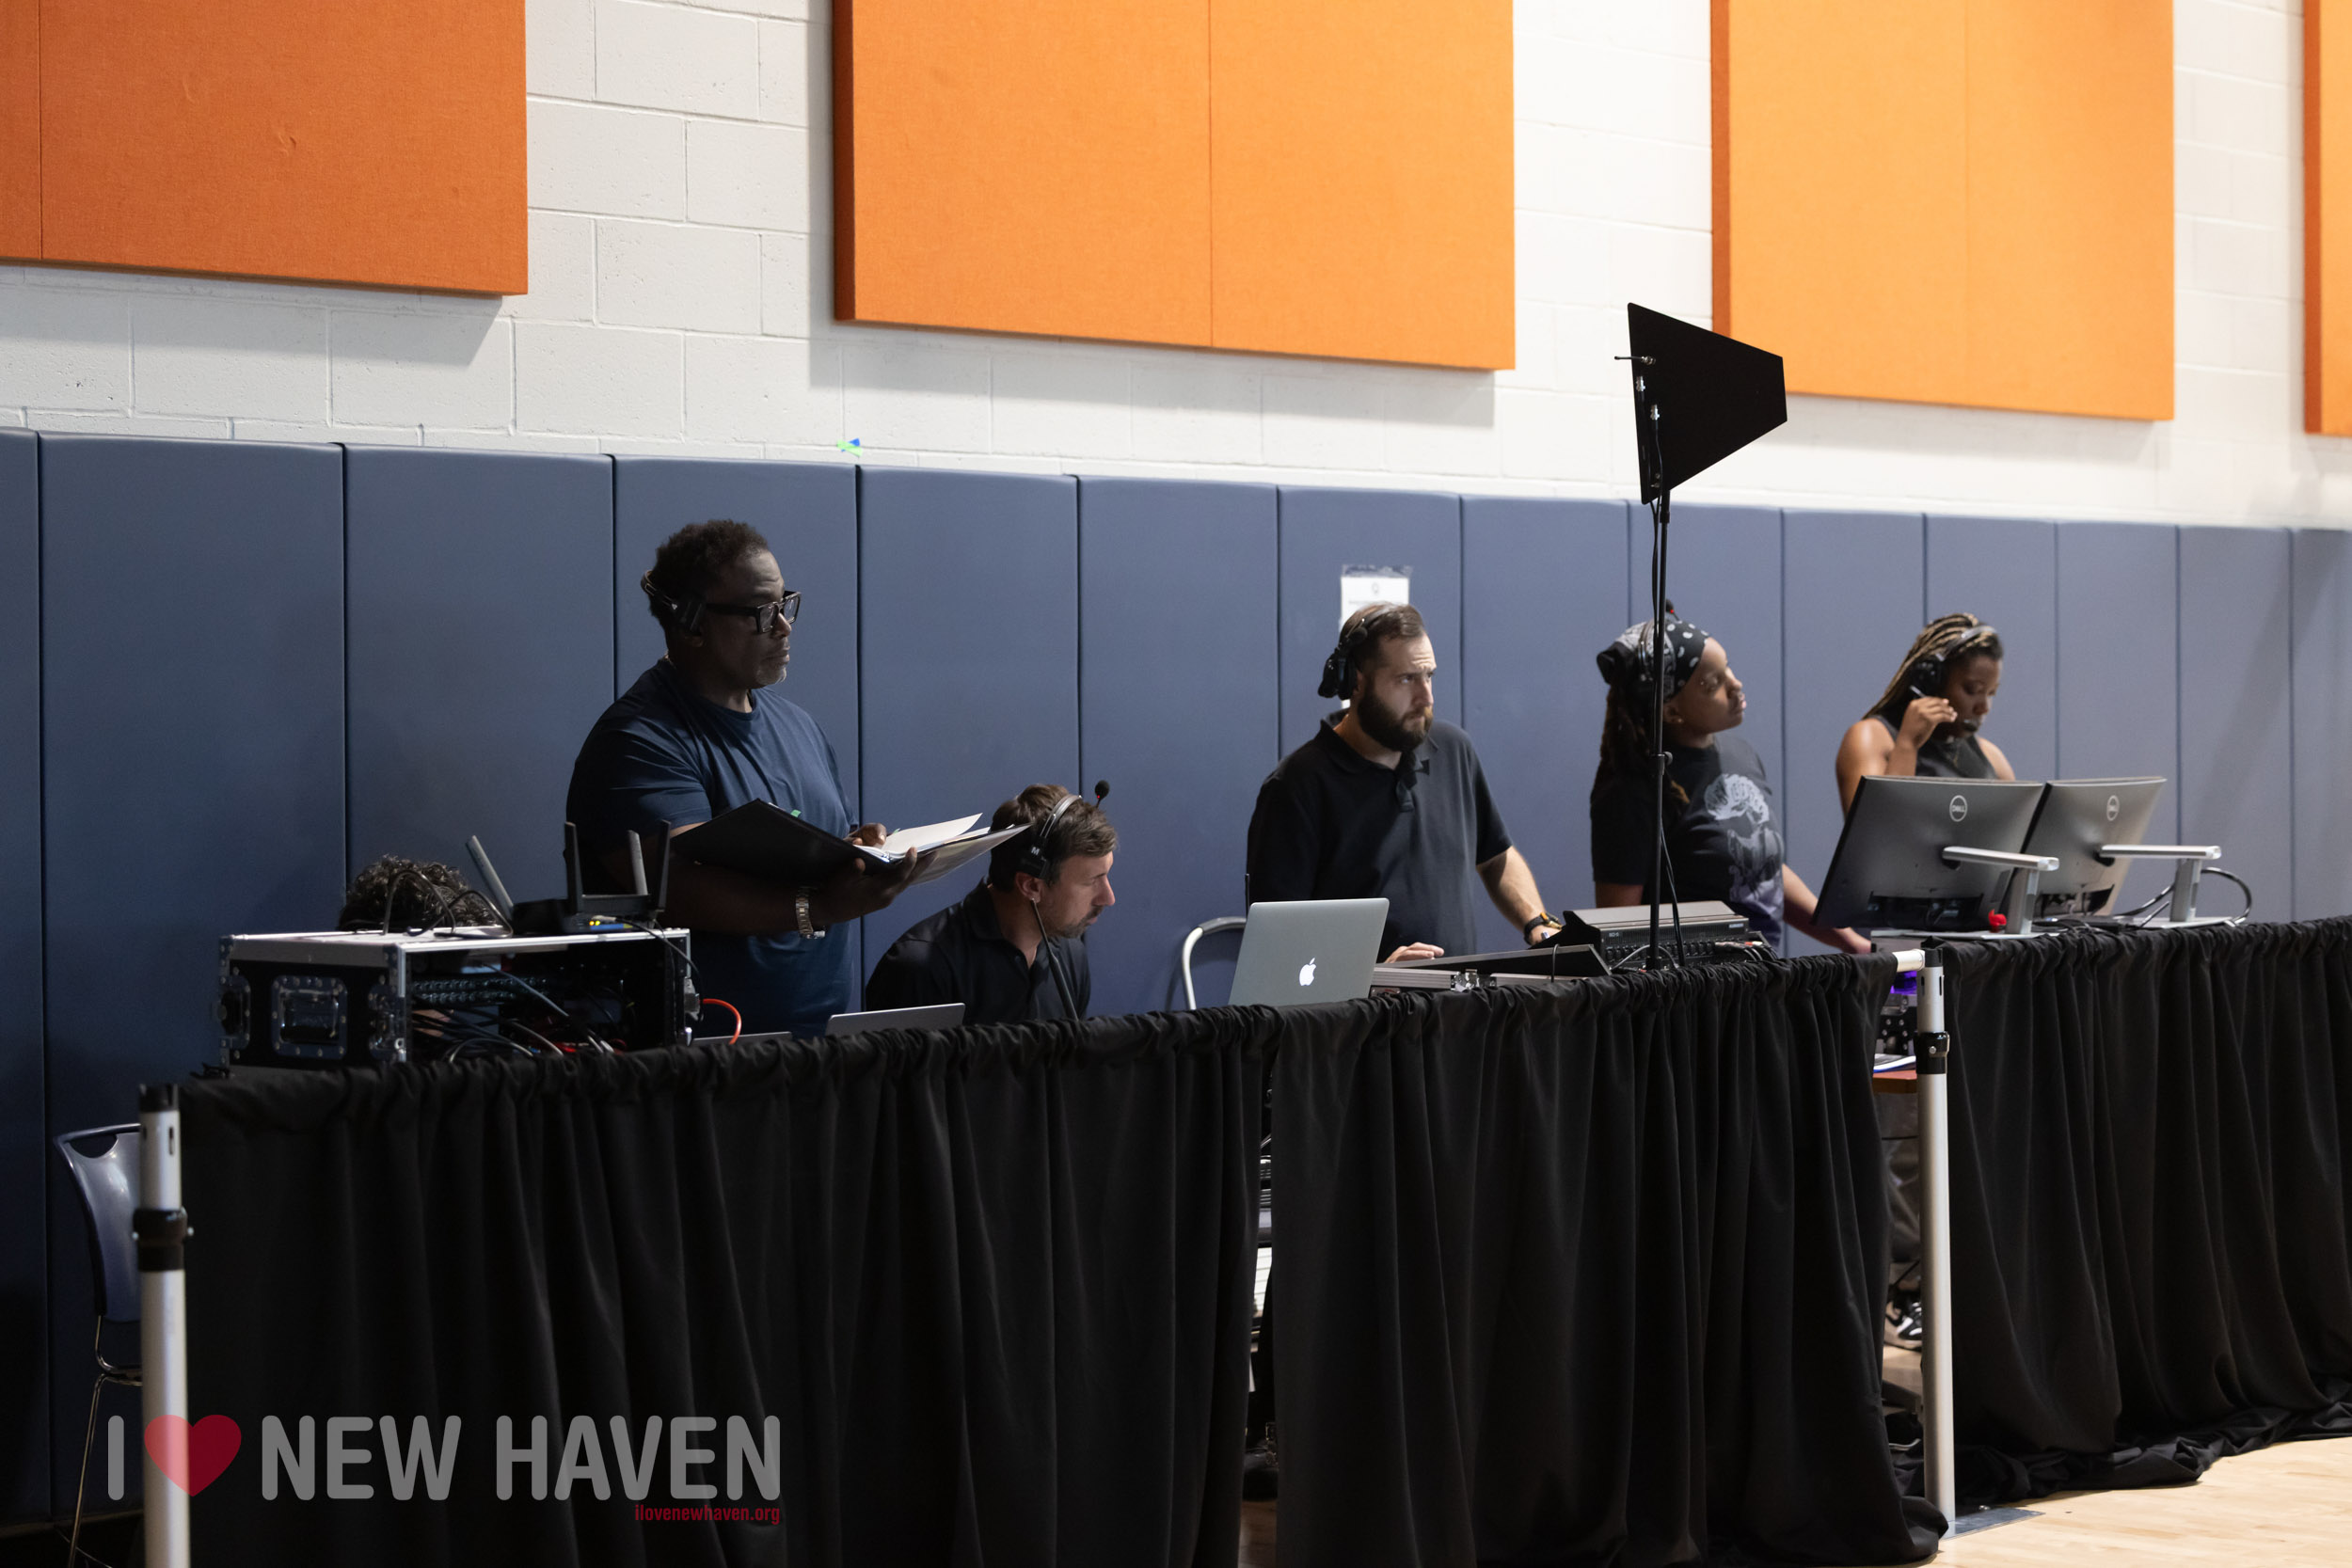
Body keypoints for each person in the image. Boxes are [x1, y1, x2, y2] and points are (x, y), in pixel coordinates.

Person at [565, 519, 922, 1037]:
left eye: (785, 604)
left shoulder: (800, 727)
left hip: (821, 1043)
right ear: (692, 623)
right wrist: (819, 906)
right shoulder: (638, 740)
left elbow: (808, 852)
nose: (783, 627)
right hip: (703, 1056)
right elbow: (677, 885)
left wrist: (854, 853)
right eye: (761, 612)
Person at [1247, 602, 1555, 961]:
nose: (1426, 698)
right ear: (1356, 682)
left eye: (1429, 676)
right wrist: (1375, 974)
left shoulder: (1454, 751)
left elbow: (1496, 857)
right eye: (1406, 679)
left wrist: (1538, 923)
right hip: (1364, 1000)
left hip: (1458, 998)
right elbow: (1278, 945)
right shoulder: (1295, 788)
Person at [1590, 611, 1867, 954]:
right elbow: (1620, 929)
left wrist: (1852, 942)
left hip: (1763, 976)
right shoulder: (1632, 789)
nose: (1735, 685)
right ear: (1671, 711)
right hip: (1695, 983)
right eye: (1713, 684)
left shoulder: (1741, 755)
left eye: (1728, 668)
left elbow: (1763, 873)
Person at [864, 784, 1116, 1022]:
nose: (1108, 898)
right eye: (1092, 881)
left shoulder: (1071, 956)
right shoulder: (920, 968)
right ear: (1031, 886)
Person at [1836, 613, 2017, 812]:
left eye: (1991, 693)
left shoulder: (1991, 758)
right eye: (1972, 690)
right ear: (1931, 681)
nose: (1984, 707)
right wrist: (1907, 745)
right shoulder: (1869, 737)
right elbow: (1874, 828)